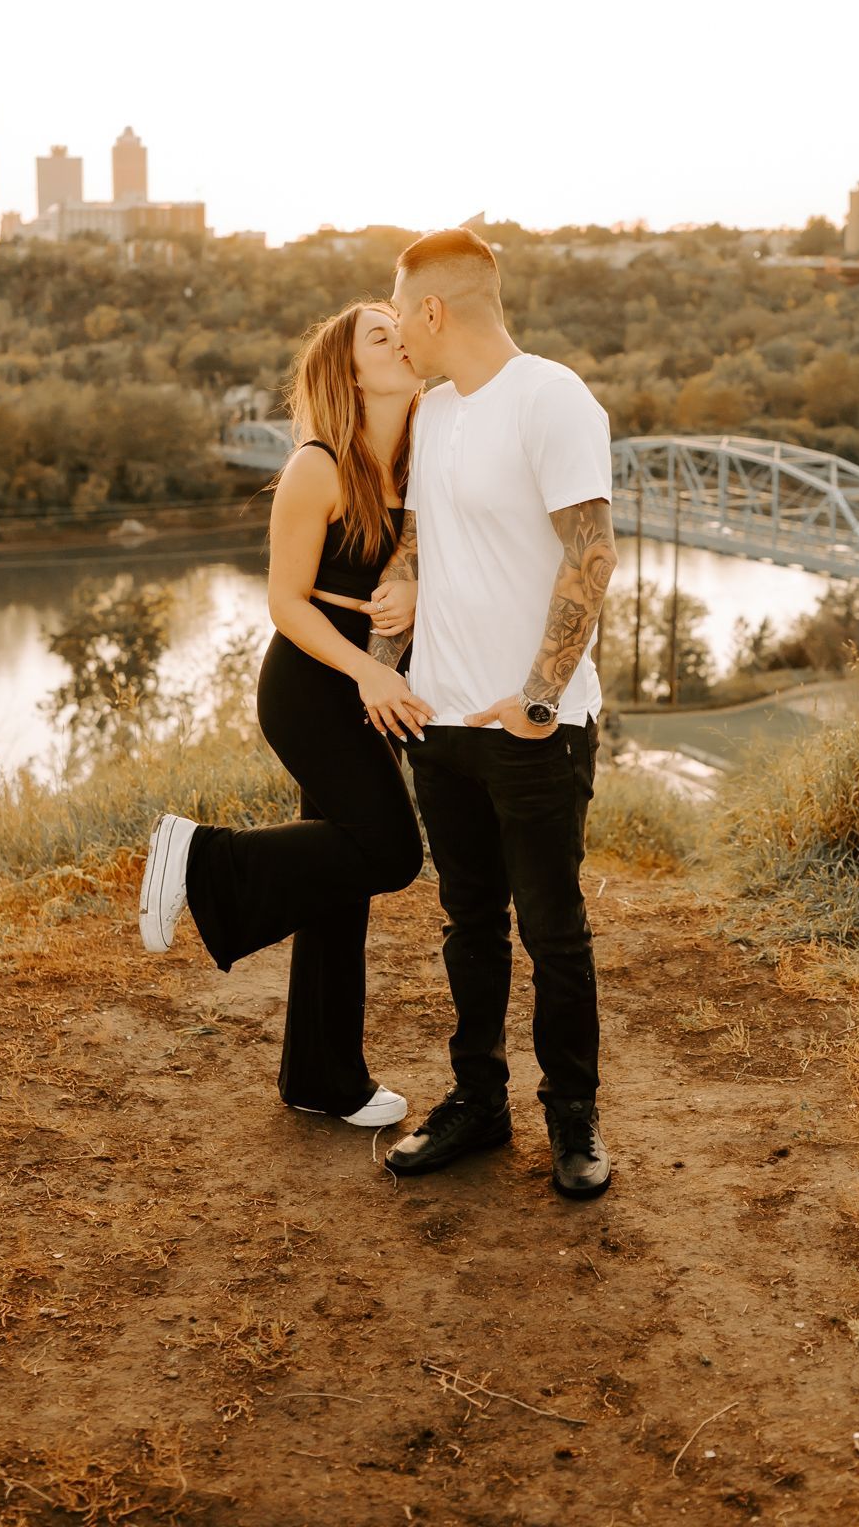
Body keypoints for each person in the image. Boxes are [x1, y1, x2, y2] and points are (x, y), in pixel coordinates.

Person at [137, 302, 434, 1130]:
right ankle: (199, 858)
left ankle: (321, 1077)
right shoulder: (318, 466)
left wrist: (412, 593)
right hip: (313, 680)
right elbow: (284, 604)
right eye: (380, 336)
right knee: (391, 851)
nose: (401, 338)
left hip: (374, 675)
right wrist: (367, 677)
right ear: (347, 371)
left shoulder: (422, 453)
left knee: (344, 880)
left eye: (402, 326)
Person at [371, 228, 619, 1198]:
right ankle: (478, 1101)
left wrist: (542, 696)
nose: (396, 333)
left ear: (434, 310)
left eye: (399, 315)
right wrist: (387, 640)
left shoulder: (553, 398)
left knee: (552, 930)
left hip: (532, 728)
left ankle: (573, 1116)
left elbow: (590, 554)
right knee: (468, 923)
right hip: (441, 721)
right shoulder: (432, 412)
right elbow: (420, 544)